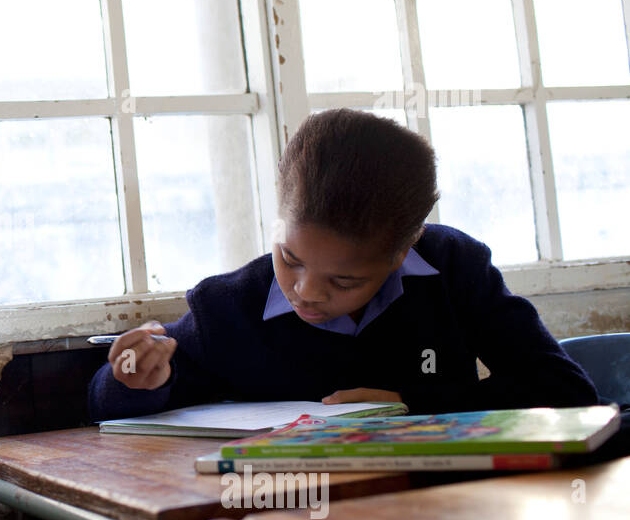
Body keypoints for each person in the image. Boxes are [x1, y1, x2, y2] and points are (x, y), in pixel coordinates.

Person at [87, 108, 599, 421]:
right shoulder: (229, 308)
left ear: (402, 251)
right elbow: (106, 405)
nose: (306, 292)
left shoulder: (451, 268)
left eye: (345, 280)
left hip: (439, 513)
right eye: (290, 258)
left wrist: (413, 405)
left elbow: (566, 392)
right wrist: (134, 376)